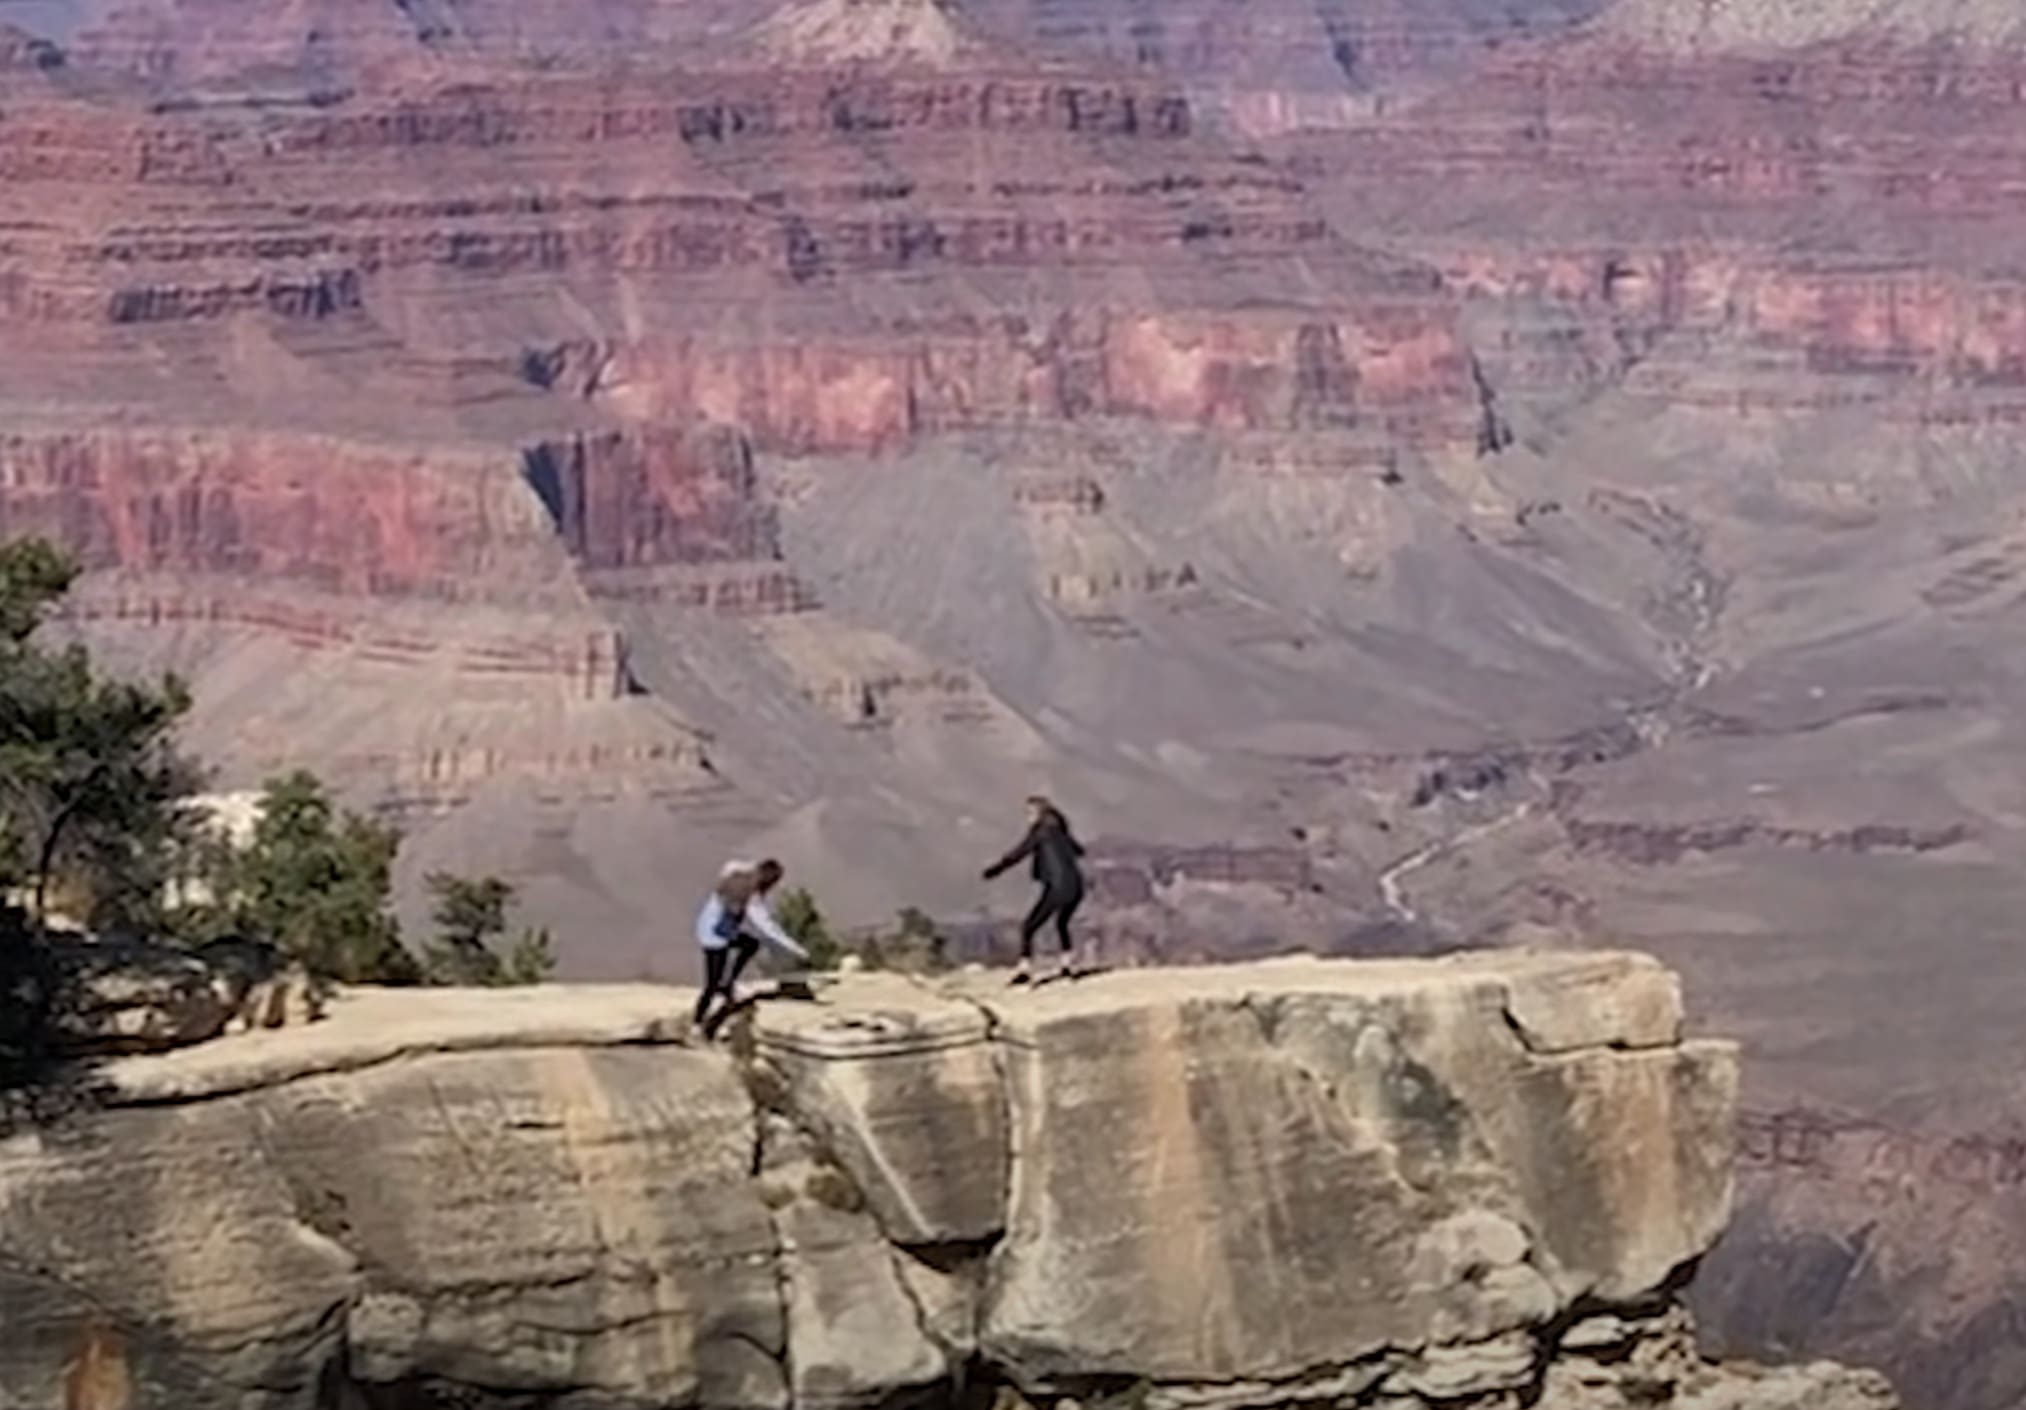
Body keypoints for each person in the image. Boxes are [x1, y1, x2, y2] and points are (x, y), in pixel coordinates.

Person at [982, 795, 1087, 984]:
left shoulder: (1041, 831)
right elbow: (1079, 851)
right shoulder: (1060, 831)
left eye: (1030, 812)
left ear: (1039, 813)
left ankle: (1025, 970)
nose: (1028, 817)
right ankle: (1067, 965)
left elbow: (1020, 852)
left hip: (1057, 887)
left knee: (1029, 927)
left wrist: (996, 869)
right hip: (1076, 886)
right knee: (1062, 923)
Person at [694, 857, 808, 1029]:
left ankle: (727, 984)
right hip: (715, 936)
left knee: (750, 944)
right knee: (712, 983)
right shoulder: (751, 896)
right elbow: (768, 929)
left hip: (709, 926)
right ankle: (698, 1022)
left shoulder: (735, 875)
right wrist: (796, 950)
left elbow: (730, 865)